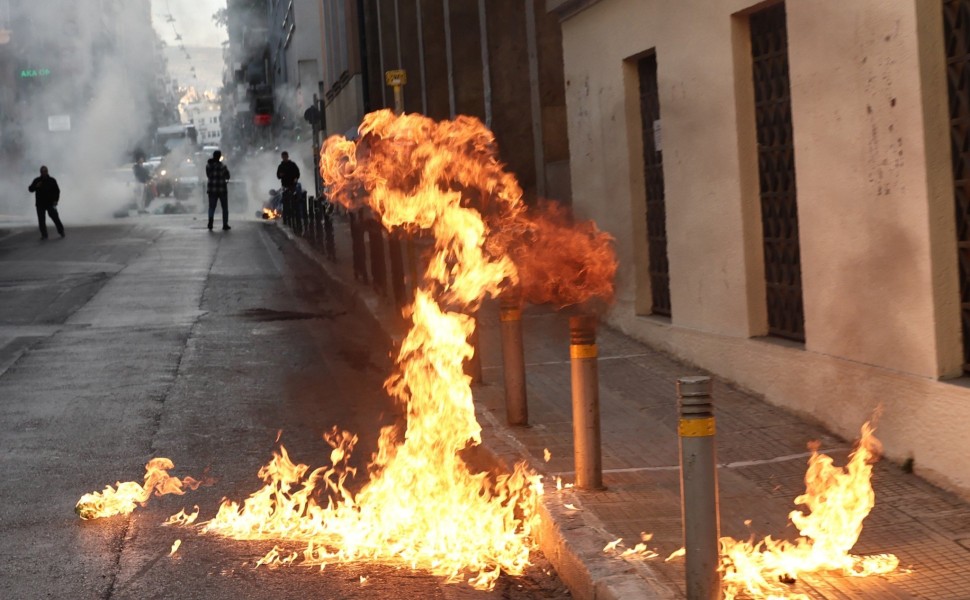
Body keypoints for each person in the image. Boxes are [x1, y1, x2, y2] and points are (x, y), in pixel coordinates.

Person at [28, 165, 64, 240]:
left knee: (55, 217)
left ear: (47, 172)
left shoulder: (52, 180)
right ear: (40, 173)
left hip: (50, 203)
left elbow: (57, 191)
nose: (44, 173)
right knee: (41, 220)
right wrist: (36, 186)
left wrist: (56, 200)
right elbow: (30, 189)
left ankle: (61, 231)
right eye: (42, 172)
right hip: (40, 204)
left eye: (45, 171)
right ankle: (44, 234)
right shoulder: (37, 180)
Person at [205, 149, 231, 231]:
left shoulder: (208, 166)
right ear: (219, 157)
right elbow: (228, 176)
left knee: (211, 207)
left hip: (212, 190)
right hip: (222, 189)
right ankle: (225, 224)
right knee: (224, 208)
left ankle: (210, 222)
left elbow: (208, 175)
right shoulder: (223, 166)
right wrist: (225, 181)